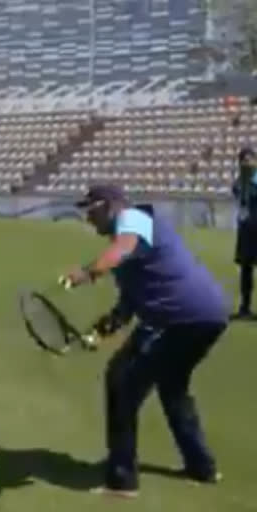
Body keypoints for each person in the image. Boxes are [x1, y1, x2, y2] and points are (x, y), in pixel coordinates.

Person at [63, 184, 229, 498]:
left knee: (123, 384)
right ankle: (202, 467)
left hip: (182, 318)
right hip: (204, 316)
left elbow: (122, 249)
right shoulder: (129, 247)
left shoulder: (133, 218)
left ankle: (122, 480)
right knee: (172, 387)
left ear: (110, 205)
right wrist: (98, 333)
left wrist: (87, 273)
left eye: (91, 209)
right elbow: (128, 305)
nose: (87, 217)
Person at [232, 147, 257, 318]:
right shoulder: (239, 182)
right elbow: (238, 196)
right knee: (246, 269)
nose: (247, 163)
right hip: (246, 230)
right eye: (244, 160)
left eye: (251, 159)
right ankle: (245, 308)